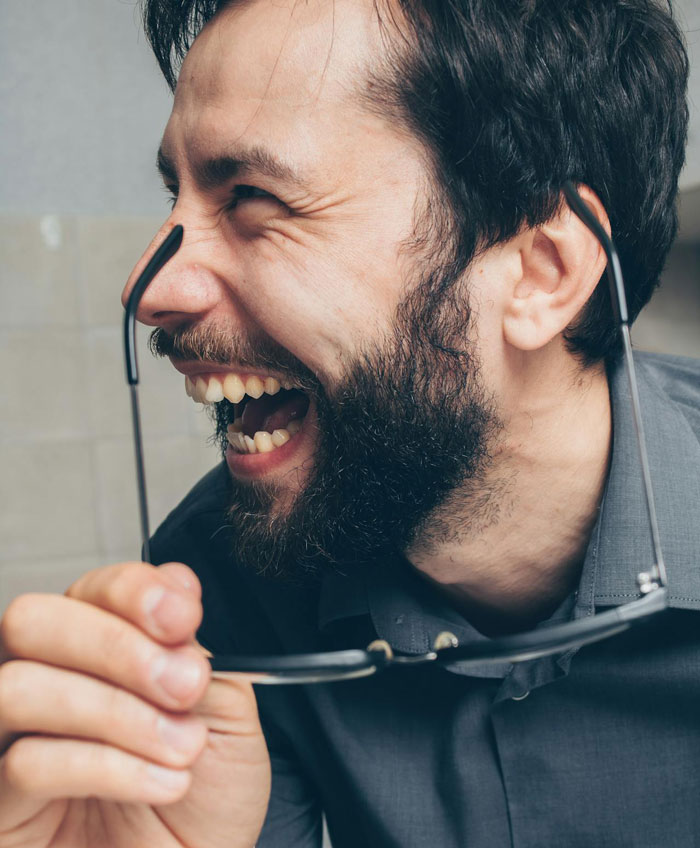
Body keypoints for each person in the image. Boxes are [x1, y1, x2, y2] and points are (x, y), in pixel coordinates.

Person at [0, 0, 697, 845]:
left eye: (254, 197)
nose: (150, 293)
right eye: (175, 197)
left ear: (541, 273)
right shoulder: (213, 580)